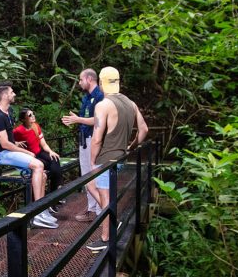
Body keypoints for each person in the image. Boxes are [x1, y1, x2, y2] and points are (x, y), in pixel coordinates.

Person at [89, 66, 149, 251]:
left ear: (101, 83)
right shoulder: (131, 103)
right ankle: (113, 220)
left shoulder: (103, 105)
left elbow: (97, 138)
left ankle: (106, 237)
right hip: (121, 157)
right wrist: (131, 147)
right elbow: (144, 129)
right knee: (90, 186)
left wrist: (92, 163)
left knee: (105, 197)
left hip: (107, 159)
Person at [0, 81, 58, 229]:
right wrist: (26, 151)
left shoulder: (9, 112)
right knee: (39, 164)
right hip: (3, 154)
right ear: (5, 95)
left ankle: (42, 209)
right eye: (12, 92)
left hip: (11, 150)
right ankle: (38, 213)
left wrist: (17, 144)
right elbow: (4, 144)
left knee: (43, 174)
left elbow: (9, 138)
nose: (14, 94)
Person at [61, 68, 103, 222]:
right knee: (86, 175)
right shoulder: (86, 97)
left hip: (94, 139)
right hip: (84, 139)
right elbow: (85, 118)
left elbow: (98, 120)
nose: (79, 83)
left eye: (80, 80)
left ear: (89, 79)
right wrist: (75, 120)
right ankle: (92, 209)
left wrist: (78, 120)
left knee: (95, 175)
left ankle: (101, 211)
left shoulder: (100, 96)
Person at [13, 108, 63, 213]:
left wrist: (50, 151)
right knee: (44, 168)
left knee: (55, 159)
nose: (33, 116)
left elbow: (43, 143)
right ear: (23, 119)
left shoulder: (36, 126)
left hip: (39, 152)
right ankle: (50, 200)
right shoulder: (18, 131)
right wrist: (16, 143)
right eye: (30, 115)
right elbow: (8, 140)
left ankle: (56, 192)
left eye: (33, 113)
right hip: (31, 157)